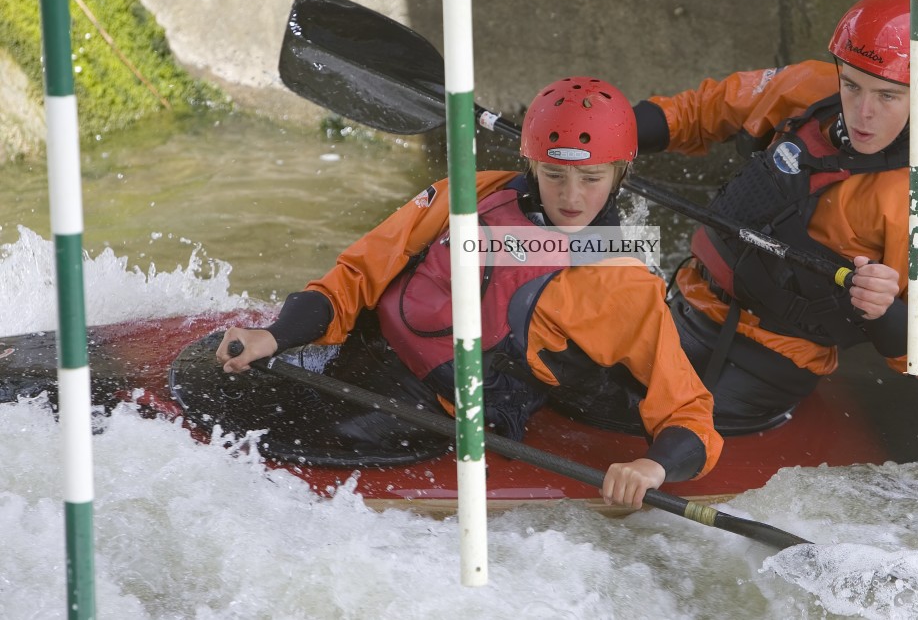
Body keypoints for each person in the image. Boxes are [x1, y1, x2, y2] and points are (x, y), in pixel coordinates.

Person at [216, 76, 724, 509]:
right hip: (360, 358)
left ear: (620, 174)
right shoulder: (471, 193)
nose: (572, 197)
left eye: (591, 178)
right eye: (554, 174)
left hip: (435, 413)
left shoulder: (622, 282)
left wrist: (652, 467)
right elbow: (358, 274)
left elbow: (690, 414)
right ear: (532, 163)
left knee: (251, 449)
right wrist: (278, 335)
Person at [630, 0, 918, 434]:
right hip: (686, 308)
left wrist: (884, 311)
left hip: (768, 363)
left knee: (631, 416)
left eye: (889, 96)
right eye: (852, 85)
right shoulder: (807, 88)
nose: (863, 113)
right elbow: (703, 110)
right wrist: (609, 134)